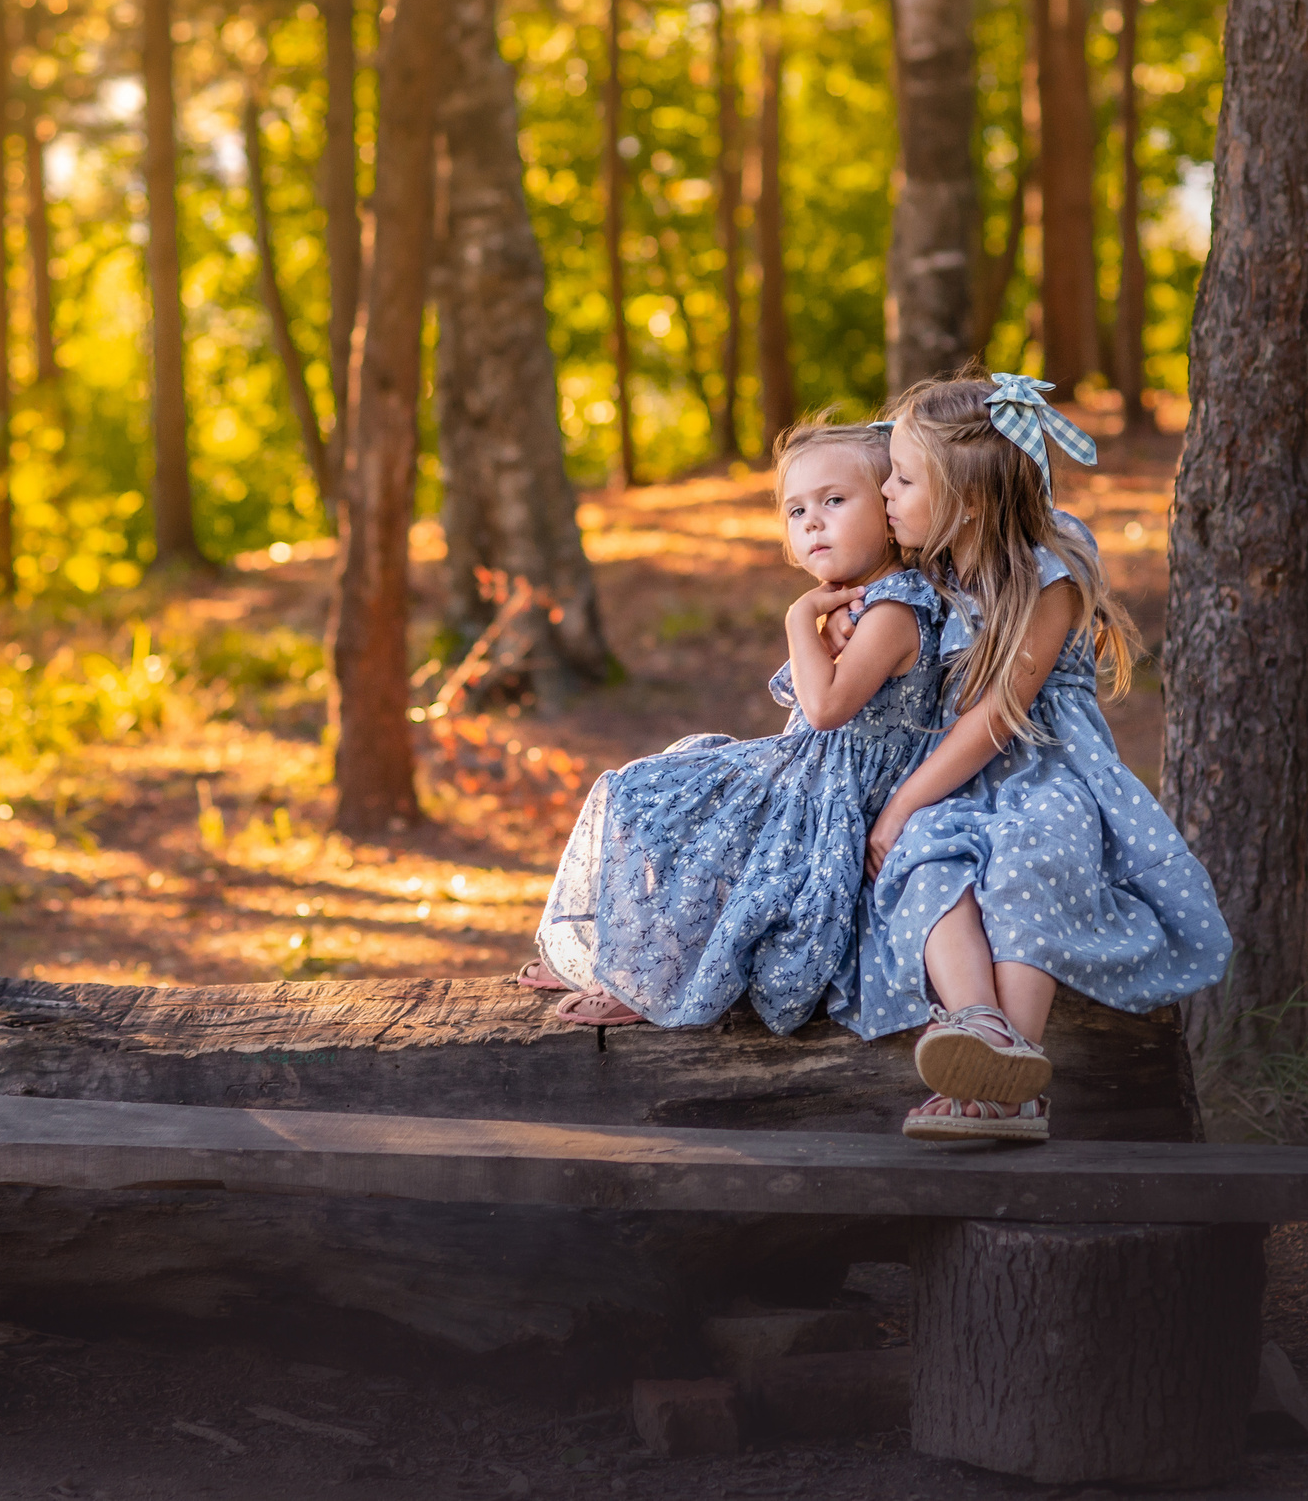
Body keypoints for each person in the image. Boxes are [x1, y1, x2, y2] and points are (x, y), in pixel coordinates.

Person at [839, 372, 1231, 1143]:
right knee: (927, 858)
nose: (885, 490)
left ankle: (1010, 1082)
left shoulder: (1051, 561)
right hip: (953, 768)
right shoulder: (931, 561)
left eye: (905, 478)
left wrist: (903, 799)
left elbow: (1000, 715)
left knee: (1032, 852)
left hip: (1041, 763)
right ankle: (976, 1030)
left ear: (971, 500)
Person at [520, 421, 946, 1033]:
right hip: (810, 774)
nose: (812, 522)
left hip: (836, 798)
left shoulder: (895, 610)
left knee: (661, 798)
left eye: (834, 500)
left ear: (888, 507)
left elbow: (824, 710)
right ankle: (619, 957)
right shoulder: (856, 602)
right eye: (796, 509)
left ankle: (646, 980)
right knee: (667, 785)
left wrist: (800, 620)